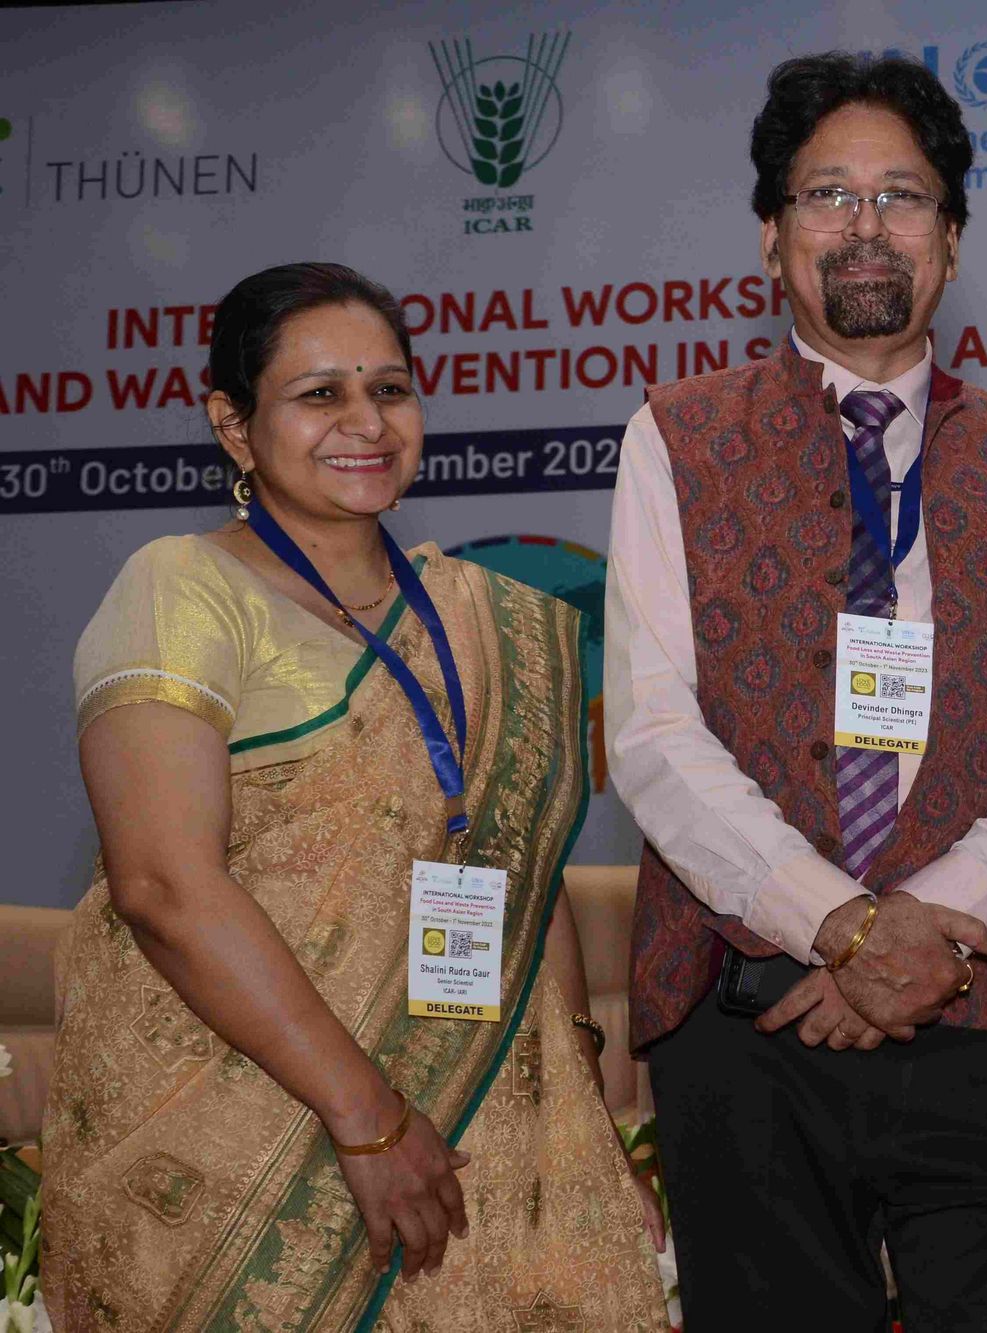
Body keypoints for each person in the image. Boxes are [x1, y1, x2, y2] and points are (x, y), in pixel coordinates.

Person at [39, 263, 667, 1331]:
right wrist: (367, 1117)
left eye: (390, 387)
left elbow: (519, 873)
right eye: (318, 394)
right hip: (253, 1136)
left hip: (486, 1131)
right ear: (233, 425)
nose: (365, 422)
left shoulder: (479, 614)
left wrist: (573, 1102)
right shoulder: (180, 587)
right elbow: (162, 885)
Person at [605, 52, 987, 1330]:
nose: (863, 225)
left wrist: (926, 929)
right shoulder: (674, 434)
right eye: (826, 195)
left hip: (983, 1007)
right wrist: (837, 927)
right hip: (749, 1021)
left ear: (950, 239)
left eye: (899, 196)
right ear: (772, 240)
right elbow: (653, 729)